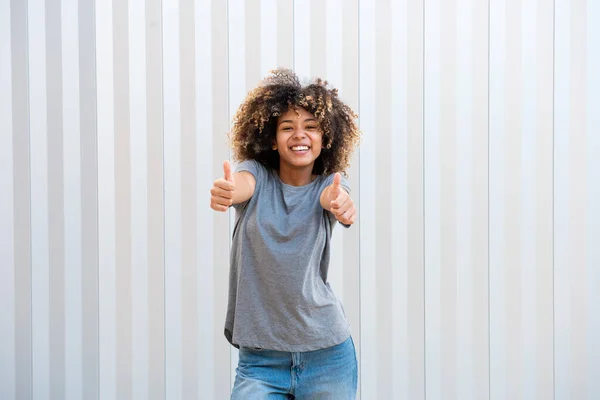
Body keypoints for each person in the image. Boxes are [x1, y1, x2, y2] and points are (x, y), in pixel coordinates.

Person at [210, 68, 361, 399]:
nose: (299, 135)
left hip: (328, 356)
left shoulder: (329, 184)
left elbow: (334, 198)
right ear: (272, 139)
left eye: (311, 127)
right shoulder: (256, 177)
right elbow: (240, 186)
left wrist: (341, 203)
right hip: (262, 362)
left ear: (326, 138)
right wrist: (227, 190)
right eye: (287, 127)